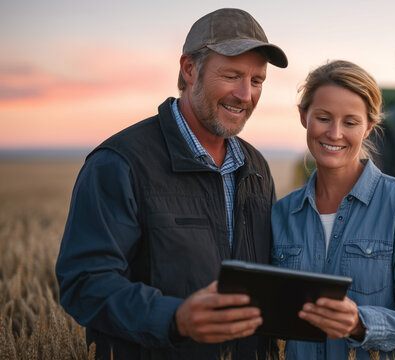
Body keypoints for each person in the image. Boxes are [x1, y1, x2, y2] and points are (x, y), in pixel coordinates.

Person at [55, 8, 287, 360]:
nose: (245, 94)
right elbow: (84, 284)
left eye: (257, 81)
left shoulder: (255, 168)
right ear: (189, 69)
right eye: (232, 75)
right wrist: (175, 319)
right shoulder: (120, 163)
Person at [271, 60, 395, 359]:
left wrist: (361, 324)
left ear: (368, 128)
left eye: (350, 122)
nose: (335, 133)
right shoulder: (281, 214)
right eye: (323, 118)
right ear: (303, 116)